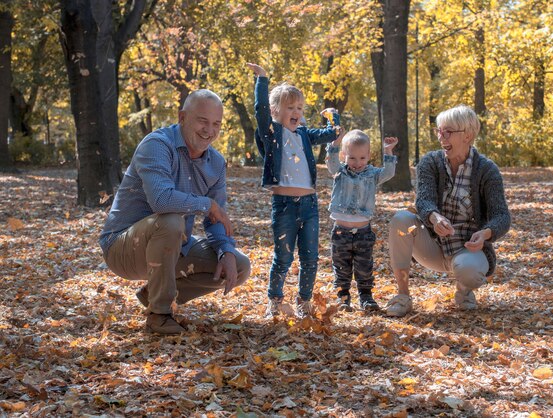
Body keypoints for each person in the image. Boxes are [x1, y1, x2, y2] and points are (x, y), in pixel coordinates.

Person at [99, 89, 251, 335]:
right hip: (123, 248)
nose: (209, 130)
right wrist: (208, 204)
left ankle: (153, 294)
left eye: (216, 124)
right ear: (182, 117)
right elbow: (161, 201)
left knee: (240, 264)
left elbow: (215, 219)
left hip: (173, 246)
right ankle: (159, 315)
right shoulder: (157, 145)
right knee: (170, 221)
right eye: (202, 120)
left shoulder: (216, 163)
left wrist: (225, 250)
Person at [386, 105, 511, 316]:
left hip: (467, 248)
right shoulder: (430, 162)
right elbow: (423, 200)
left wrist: (485, 233)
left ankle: (464, 292)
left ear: (468, 135)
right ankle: (403, 295)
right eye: (439, 131)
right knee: (401, 220)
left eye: (448, 132)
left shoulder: (487, 170)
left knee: (469, 272)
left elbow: (502, 216)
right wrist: (434, 218)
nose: (442, 137)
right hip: (432, 245)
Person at [246, 62, 343, 319]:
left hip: (309, 205)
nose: (296, 112)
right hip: (285, 206)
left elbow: (332, 133)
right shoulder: (272, 133)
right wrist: (262, 79)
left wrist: (334, 116)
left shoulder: (304, 134)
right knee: (283, 258)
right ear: (277, 110)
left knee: (310, 258)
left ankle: (303, 301)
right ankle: (275, 301)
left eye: (299, 108)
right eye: (290, 107)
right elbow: (260, 111)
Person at [326, 130, 398, 312]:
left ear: (368, 156)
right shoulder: (340, 171)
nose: (357, 163)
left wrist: (388, 151)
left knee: (364, 266)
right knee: (341, 266)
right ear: (344, 156)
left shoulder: (372, 174)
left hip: (363, 232)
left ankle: (366, 297)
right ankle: (343, 297)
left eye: (362, 158)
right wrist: (335, 143)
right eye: (352, 158)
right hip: (341, 231)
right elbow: (331, 162)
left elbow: (389, 173)